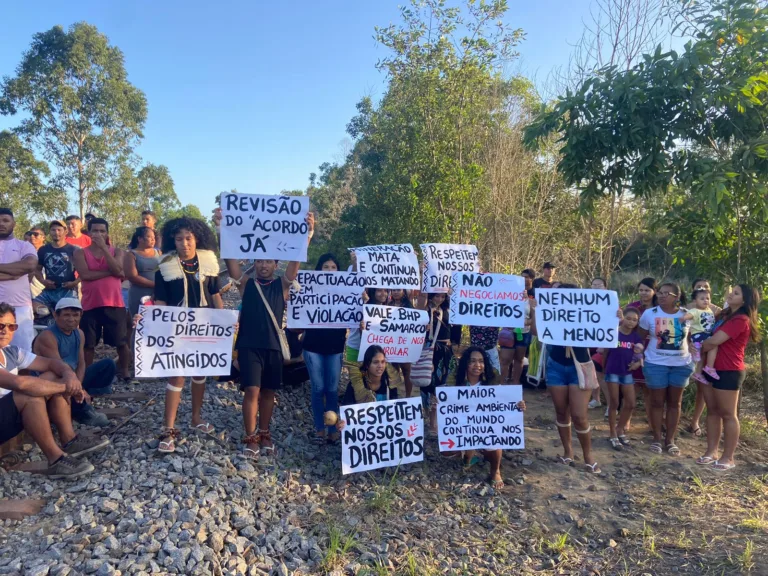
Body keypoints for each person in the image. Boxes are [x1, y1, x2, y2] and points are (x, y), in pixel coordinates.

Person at [216, 208, 314, 461]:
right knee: (252, 391)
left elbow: (295, 265)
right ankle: (250, 437)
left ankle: (265, 432)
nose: (263, 265)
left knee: (269, 392)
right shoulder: (247, 285)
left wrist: (307, 235)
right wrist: (222, 230)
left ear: (275, 264)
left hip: (272, 348)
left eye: (268, 261)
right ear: (255, 263)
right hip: (249, 346)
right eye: (259, 261)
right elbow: (231, 263)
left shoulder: (282, 285)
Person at [0, 303, 109, 478]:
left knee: (53, 376)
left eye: (11, 326)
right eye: (0, 326)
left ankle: (69, 440)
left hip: (8, 414)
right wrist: (68, 388)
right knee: (29, 393)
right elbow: (19, 383)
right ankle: (56, 460)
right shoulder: (48, 336)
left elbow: (51, 363)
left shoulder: (10, 352)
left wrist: (70, 377)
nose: (5, 331)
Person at [153, 217, 224, 453]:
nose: (184, 243)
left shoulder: (209, 264)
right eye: (179, 238)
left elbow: (214, 295)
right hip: (177, 327)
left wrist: (224, 322)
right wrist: (156, 322)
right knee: (177, 376)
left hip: (203, 326)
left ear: (197, 239)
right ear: (173, 241)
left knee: (200, 372)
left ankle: (196, 417)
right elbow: (161, 301)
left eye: (189, 238)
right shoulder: (164, 266)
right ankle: (168, 429)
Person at [530, 285, 602, 474]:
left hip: (581, 366)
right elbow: (536, 332)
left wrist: (614, 318)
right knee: (561, 412)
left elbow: (603, 331)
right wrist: (535, 309)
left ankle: (588, 456)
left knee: (580, 415)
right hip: (556, 366)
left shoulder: (586, 313)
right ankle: (568, 451)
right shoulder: (551, 312)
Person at [697, 284, 760, 471]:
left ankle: (728, 457)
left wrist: (699, 345)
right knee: (713, 411)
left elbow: (714, 341)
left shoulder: (741, 319)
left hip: (728, 370)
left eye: (736, 293)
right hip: (710, 368)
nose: (731, 294)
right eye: (732, 292)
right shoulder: (723, 316)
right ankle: (711, 452)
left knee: (728, 414)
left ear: (745, 299)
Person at [32, 298, 116, 428]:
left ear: (81, 315)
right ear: (55, 315)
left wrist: (79, 385)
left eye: (75, 315)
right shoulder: (48, 336)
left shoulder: (79, 333)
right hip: (53, 381)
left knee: (108, 365)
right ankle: (79, 410)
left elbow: (81, 363)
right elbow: (59, 369)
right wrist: (78, 387)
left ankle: (82, 398)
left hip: (72, 377)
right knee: (64, 382)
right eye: (66, 315)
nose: (71, 319)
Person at [454, 346, 526, 489]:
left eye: (481, 361)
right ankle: (468, 455)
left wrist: (518, 406)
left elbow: (503, 405)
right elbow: (448, 406)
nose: (477, 365)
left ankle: (495, 471)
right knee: (446, 451)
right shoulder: (456, 382)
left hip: (485, 425)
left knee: (493, 440)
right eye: (472, 361)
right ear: (465, 364)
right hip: (465, 424)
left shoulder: (492, 383)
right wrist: (438, 404)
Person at [72, 218, 132, 384]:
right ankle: (87, 372)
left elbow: (118, 269)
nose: (98, 234)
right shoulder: (80, 253)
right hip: (90, 304)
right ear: (89, 233)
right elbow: (85, 275)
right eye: (95, 231)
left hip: (114, 303)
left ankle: (124, 370)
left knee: (121, 341)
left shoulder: (117, 251)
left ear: (107, 233)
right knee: (89, 343)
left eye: (102, 231)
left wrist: (105, 250)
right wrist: (111, 273)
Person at [637, 282, 693, 456]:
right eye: (660, 293)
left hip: (681, 365)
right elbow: (639, 337)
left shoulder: (686, 314)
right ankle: (656, 439)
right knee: (656, 402)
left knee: (675, 403)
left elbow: (691, 338)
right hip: (655, 364)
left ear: (676, 296)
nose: (661, 296)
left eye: (666, 293)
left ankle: (670, 440)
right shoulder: (649, 314)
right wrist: (638, 355)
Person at [302, 253, 346, 445]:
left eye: (333, 267)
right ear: (319, 270)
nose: (329, 270)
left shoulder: (346, 291)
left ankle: (332, 428)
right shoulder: (309, 288)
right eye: (325, 267)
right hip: (313, 346)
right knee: (318, 388)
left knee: (333, 389)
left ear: (338, 271)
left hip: (335, 346)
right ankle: (320, 428)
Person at [603, 307, 643, 450]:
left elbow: (639, 354)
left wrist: (637, 363)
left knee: (631, 403)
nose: (631, 322)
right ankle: (612, 433)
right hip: (612, 371)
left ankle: (620, 429)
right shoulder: (613, 332)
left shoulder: (636, 337)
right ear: (622, 318)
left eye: (634, 320)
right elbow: (605, 352)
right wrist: (605, 368)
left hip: (627, 373)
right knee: (614, 403)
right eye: (629, 318)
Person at [0, 209, 40, 351]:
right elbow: (21, 269)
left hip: (20, 307)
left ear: (14, 224)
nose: (1, 224)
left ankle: (22, 375)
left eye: (5, 221)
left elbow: (29, 265)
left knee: (23, 353)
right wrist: (13, 274)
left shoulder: (24, 246)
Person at [626, 277, 658, 429]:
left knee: (649, 391)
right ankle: (626, 420)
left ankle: (653, 423)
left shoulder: (659, 310)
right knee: (631, 388)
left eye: (647, 290)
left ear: (654, 291)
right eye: (641, 290)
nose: (643, 293)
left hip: (653, 352)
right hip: (634, 351)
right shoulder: (633, 307)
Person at [34, 220, 79, 312]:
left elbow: (84, 272)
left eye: (59, 230)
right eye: (53, 230)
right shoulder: (43, 250)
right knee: (33, 306)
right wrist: (43, 281)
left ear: (65, 232)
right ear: (49, 232)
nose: (56, 233)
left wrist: (74, 283)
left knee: (68, 314)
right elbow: (37, 269)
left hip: (68, 291)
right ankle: (50, 319)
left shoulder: (74, 250)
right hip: (50, 290)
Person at [124, 227, 160, 316]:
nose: (153, 240)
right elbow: (132, 277)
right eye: (149, 237)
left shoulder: (159, 253)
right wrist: (155, 284)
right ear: (140, 239)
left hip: (158, 294)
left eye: (154, 237)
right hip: (139, 293)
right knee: (140, 323)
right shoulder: (131, 254)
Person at [686, 289, 718, 383]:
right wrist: (682, 318)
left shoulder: (710, 310)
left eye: (708, 298)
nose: (705, 300)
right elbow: (687, 316)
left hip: (703, 335)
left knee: (702, 356)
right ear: (695, 301)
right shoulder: (694, 310)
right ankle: (709, 367)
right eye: (702, 298)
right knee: (713, 346)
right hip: (700, 335)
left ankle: (698, 373)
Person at [498, 298, 531, 385]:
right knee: (505, 359)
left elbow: (533, 319)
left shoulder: (530, 300)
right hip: (508, 332)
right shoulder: (505, 296)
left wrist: (524, 322)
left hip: (524, 333)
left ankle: (515, 383)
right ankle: (502, 383)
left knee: (519, 359)